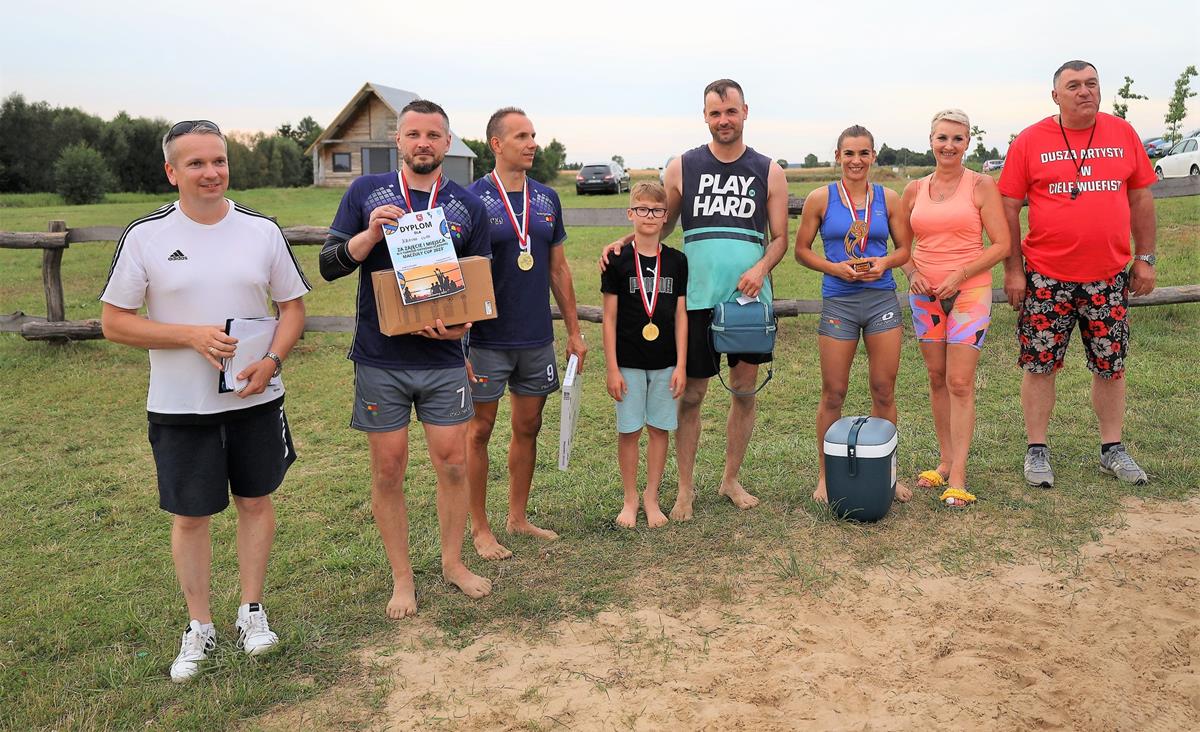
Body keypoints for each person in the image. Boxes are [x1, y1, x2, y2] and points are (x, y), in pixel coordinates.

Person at [100, 120, 310, 682]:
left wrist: (273, 361)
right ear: (172, 172)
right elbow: (115, 323)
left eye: (218, 160)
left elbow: (292, 308)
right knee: (191, 515)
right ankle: (200, 625)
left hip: (254, 398)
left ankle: (252, 612)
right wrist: (189, 336)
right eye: (196, 163)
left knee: (255, 501)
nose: (211, 172)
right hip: (180, 405)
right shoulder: (145, 236)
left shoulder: (261, 231)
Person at [318, 99, 493, 618]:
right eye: (413, 133)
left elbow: (478, 286)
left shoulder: (467, 205)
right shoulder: (365, 192)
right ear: (398, 140)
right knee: (388, 470)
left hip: (443, 360)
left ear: (447, 143)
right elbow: (328, 265)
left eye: (433, 135)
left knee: (454, 464)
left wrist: (462, 328)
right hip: (380, 358)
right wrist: (370, 235)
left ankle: (453, 563)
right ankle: (402, 578)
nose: (423, 143)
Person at [599, 79, 789, 521]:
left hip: (747, 303)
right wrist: (624, 243)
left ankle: (730, 479)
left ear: (745, 112)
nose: (724, 120)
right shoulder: (682, 166)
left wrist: (761, 269)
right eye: (715, 113)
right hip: (696, 300)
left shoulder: (769, 170)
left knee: (744, 391)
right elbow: (660, 223)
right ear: (705, 116)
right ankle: (685, 489)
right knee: (692, 395)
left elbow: (780, 237)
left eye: (731, 111)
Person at [1000, 60, 1157, 488]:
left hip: (1108, 276)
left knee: (1111, 365)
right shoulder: (1030, 141)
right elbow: (1008, 208)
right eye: (1073, 86)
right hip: (1046, 276)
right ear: (1056, 96)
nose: (1085, 91)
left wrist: (1145, 258)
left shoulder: (1122, 133)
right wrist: (1013, 270)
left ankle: (1112, 449)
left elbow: (1141, 199)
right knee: (1039, 364)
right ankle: (1036, 450)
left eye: (1091, 83)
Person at [464, 108, 587, 560]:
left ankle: (517, 517)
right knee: (479, 430)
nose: (532, 143)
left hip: (535, 338)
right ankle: (479, 527)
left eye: (533, 135)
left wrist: (573, 331)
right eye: (521, 136)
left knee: (528, 427)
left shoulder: (547, 198)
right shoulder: (470, 199)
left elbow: (558, 268)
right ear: (496, 144)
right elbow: (456, 272)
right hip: (485, 340)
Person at [793, 125, 913, 504]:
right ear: (838, 156)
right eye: (849, 153)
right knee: (834, 393)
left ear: (873, 156)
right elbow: (801, 250)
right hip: (839, 303)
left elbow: (905, 249)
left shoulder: (888, 198)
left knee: (883, 389)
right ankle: (826, 477)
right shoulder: (820, 198)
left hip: (881, 301)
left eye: (863, 153)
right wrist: (834, 268)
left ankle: (887, 474)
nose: (856, 161)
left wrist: (884, 263)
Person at [899, 109, 1011, 506]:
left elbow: (1002, 244)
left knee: (960, 382)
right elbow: (901, 245)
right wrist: (912, 271)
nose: (949, 146)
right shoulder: (914, 189)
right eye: (942, 138)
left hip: (969, 293)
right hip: (925, 295)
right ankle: (944, 461)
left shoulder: (981, 185)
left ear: (967, 143)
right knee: (936, 377)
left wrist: (961, 274)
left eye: (957, 139)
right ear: (931, 140)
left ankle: (959, 473)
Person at [601, 181, 688, 528]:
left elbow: (681, 315)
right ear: (630, 213)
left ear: (666, 216)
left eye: (656, 210)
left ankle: (651, 497)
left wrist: (681, 365)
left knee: (659, 429)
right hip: (628, 362)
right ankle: (630, 499)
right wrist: (612, 368)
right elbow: (609, 318)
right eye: (642, 209)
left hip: (666, 362)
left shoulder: (677, 261)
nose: (649, 216)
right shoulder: (617, 261)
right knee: (629, 431)